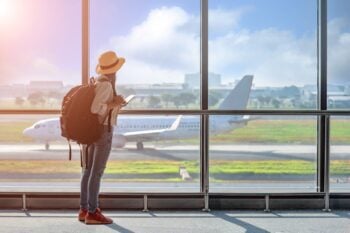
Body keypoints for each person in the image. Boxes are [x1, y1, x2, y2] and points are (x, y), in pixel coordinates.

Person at [78, 51, 125, 224]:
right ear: (114, 70)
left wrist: (115, 102)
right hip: (102, 131)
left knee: (88, 171)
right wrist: (116, 103)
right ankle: (93, 213)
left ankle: (84, 210)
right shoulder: (106, 85)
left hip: (91, 131)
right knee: (96, 173)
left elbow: (98, 107)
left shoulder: (97, 82)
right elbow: (95, 109)